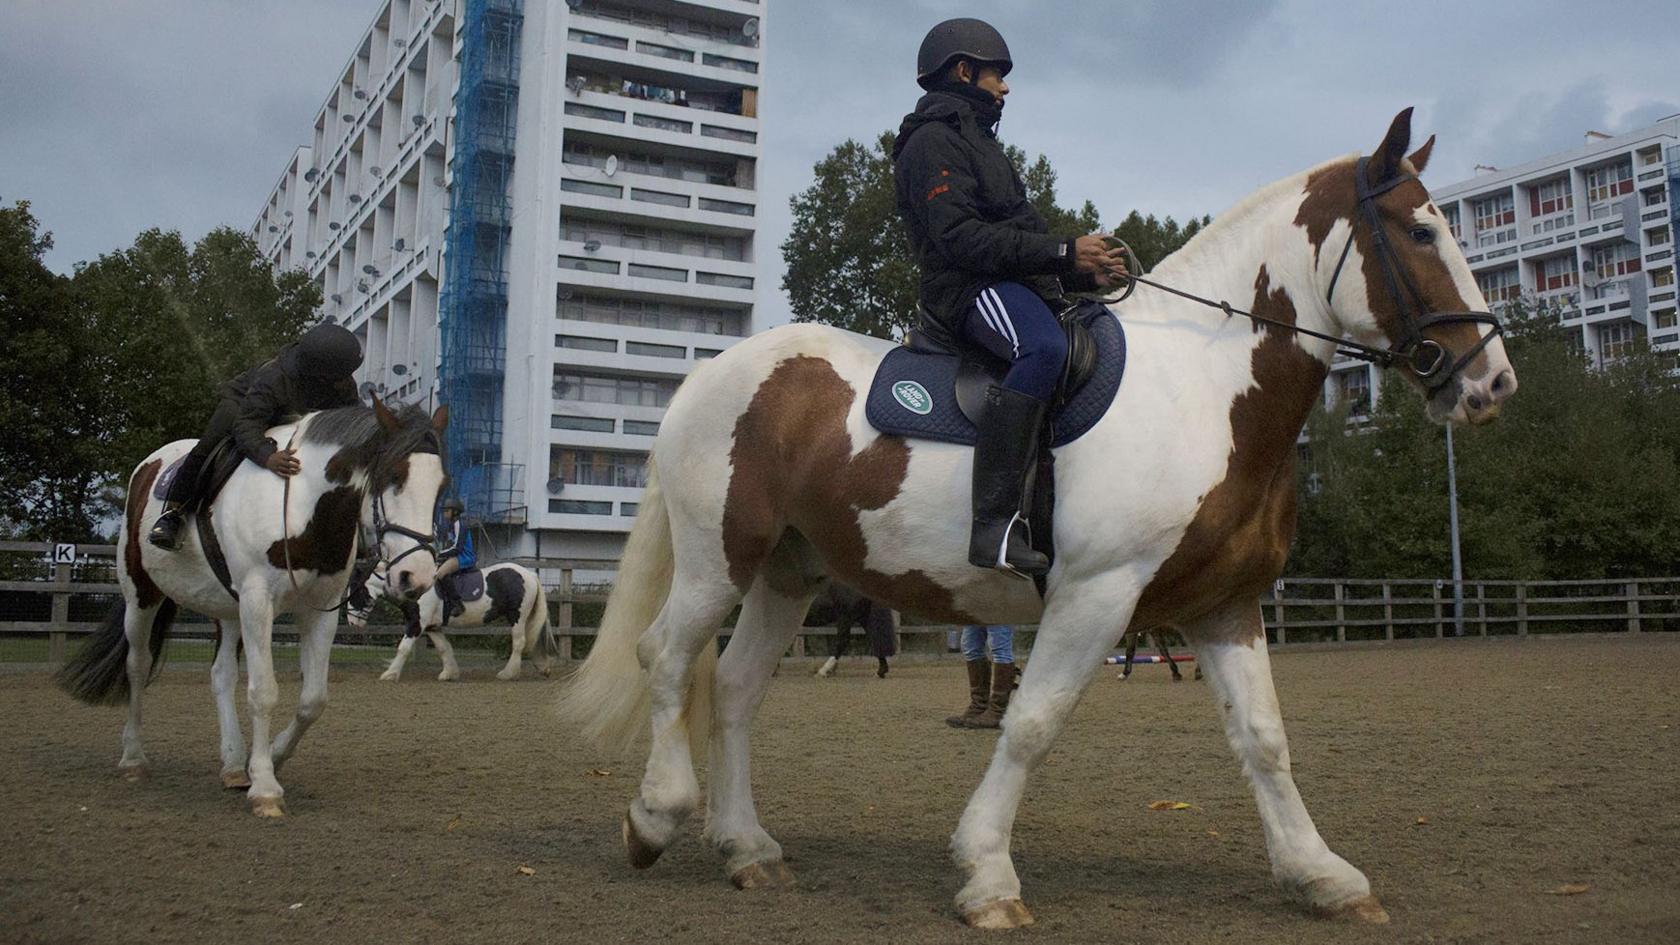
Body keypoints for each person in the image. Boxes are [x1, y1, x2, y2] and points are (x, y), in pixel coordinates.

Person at [892, 17, 1129, 578]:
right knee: (1042, 349)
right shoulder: (931, 143)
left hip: (1005, 283)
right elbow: (959, 239)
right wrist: (1065, 252)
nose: (1005, 87)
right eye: (998, 75)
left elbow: (1019, 241)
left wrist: (1079, 275)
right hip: (965, 290)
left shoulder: (982, 145)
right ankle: (993, 526)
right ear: (965, 71)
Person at [148, 323, 363, 550]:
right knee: (208, 447)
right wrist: (267, 456)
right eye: (343, 375)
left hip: (290, 414)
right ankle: (174, 512)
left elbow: (352, 418)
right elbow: (247, 423)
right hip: (243, 406)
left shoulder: (341, 382)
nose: (348, 380)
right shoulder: (275, 378)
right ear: (322, 375)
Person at [946, 624, 1016, 729]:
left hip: (1000, 608)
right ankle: (979, 707)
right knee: (970, 647)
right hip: (977, 609)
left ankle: (998, 711)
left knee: (1000, 649)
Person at [433, 496, 475, 620]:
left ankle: (457, 604)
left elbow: (457, 547)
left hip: (465, 557)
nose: (445, 513)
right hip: (457, 555)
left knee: (440, 573)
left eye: (447, 511)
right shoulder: (451, 525)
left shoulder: (459, 524)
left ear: (454, 512)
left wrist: (440, 554)